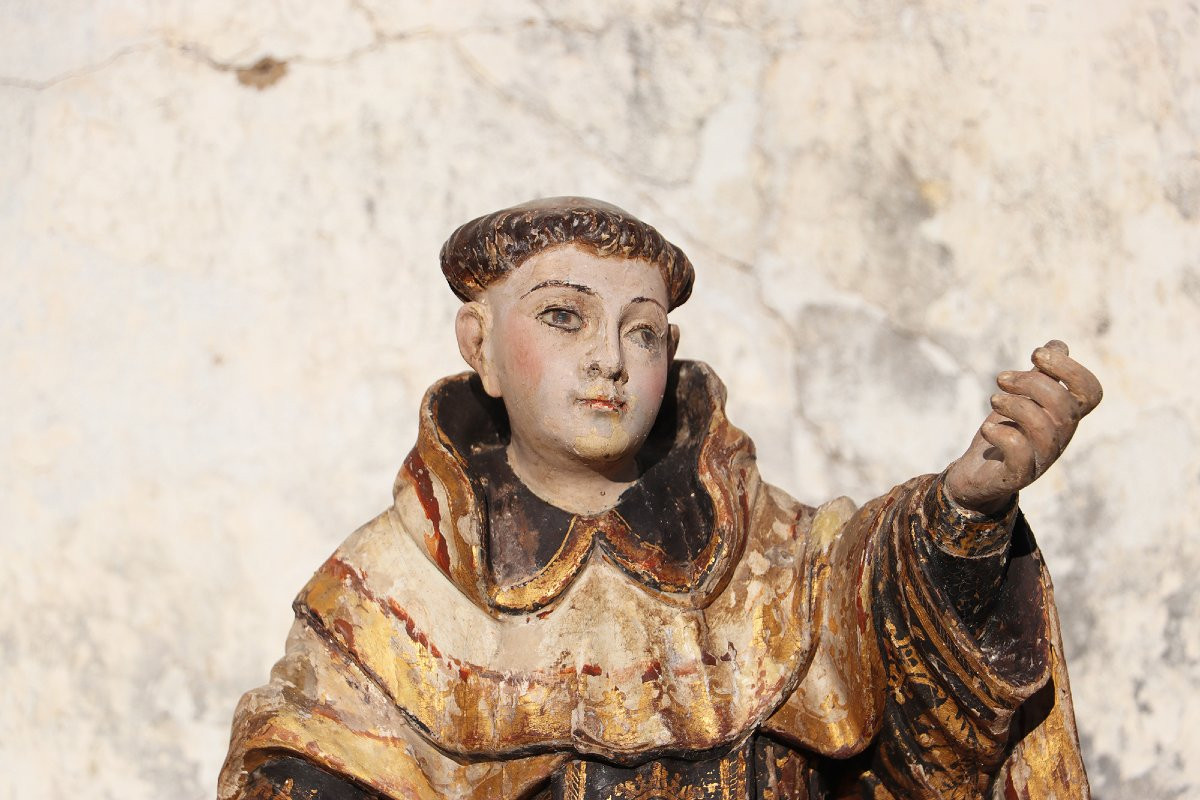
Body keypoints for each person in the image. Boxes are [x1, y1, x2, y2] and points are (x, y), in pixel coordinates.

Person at [218, 197, 1101, 800]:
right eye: (564, 317)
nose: (609, 357)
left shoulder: (777, 558)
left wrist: (968, 510)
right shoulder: (388, 596)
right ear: (479, 344)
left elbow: (920, 696)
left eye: (639, 330)